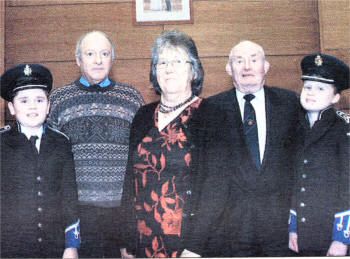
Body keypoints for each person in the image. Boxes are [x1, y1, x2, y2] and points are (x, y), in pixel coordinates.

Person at [119, 30, 227, 258]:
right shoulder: (142, 115)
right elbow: (130, 181)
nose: (169, 68)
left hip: (188, 245)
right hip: (143, 242)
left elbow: (217, 188)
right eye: (162, 62)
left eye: (177, 61)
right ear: (154, 71)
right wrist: (126, 241)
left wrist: (196, 247)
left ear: (193, 70)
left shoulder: (213, 116)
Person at [47, 30, 145, 257]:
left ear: (113, 58)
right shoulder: (58, 100)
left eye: (104, 53)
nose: (98, 60)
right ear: (77, 59)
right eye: (90, 54)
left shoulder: (132, 98)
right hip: (76, 213)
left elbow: (142, 158)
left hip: (122, 213)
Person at [204, 40, 301, 256]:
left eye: (254, 60)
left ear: (266, 67)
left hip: (281, 227)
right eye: (239, 61)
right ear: (229, 69)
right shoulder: (210, 109)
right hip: (230, 232)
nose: (247, 67)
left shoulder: (291, 104)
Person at [0, 63, 80, 258]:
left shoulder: (61, 142)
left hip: (53, 246)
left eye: (39, 99)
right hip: (10, 247)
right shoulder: (1, 143)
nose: (33, 106)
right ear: (11, 107)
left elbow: (69, 196)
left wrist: (71, 245)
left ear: (49, 106)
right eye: (24, 100)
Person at [288, 53, 350, 256]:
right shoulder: (297, 128)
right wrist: (293, 228)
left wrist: (342, 238)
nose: (311, 93)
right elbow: (297, 182)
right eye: (308, 87)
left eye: (321, 88)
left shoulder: (344, 130)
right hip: (304, 235)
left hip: (333, 237)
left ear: (335, 97)